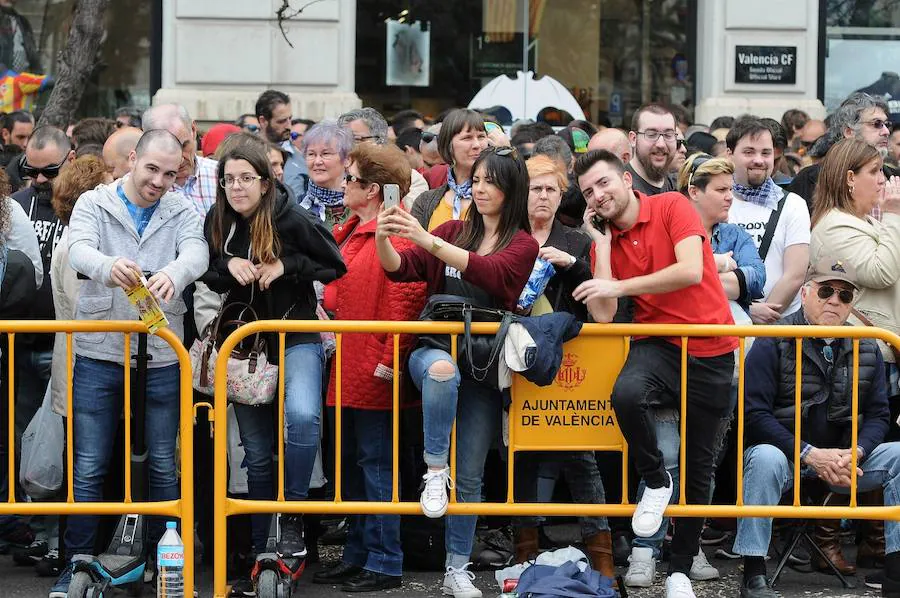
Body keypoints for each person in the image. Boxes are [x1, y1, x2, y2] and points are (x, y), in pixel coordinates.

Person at [51, 130, 210, 598]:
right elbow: (76, 248)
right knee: (88, 463)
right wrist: (106, 266)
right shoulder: (94, 203)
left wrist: (174, 273)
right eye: (151, 169)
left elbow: (196, 252)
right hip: (99, 348)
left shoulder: (182, 207)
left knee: (163, 462)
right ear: (133, 160)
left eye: (169, 172)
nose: (159, 181)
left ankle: (163, 557)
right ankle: (78, 561)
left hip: (162, 352)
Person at [573, 149, 737, 598]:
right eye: (589, 192)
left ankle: (681, 568)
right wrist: (603, 248)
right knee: (625, 395)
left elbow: (688, 271)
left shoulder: (672, 205)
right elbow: (604, 314)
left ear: (627, 179)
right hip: (659, 344)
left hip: (712, 346)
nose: (599, 195)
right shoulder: (603, 239)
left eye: (604, 183)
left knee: (700, 464)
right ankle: (657, 480)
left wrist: (619, 285)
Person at [376, 146, 538, 598]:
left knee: (470, 473)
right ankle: (432, 469)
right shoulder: (451, 230)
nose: (480, 188)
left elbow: (492, 275)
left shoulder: (522, 244)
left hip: (485, 361)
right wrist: (384, 237)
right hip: (434, 347)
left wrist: (427, 239)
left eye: (491, 181)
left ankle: (456, 567)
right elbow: (401, 270)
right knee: (442, 370)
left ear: (511, 191)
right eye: (478, 179)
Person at [201, 141, 345, 588]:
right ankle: (266, 544)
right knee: (256, 451)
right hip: (244, 345)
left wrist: (286, 265)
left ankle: (292, 520)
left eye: (247, 178)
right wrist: (231, 264)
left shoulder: (292, 216)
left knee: (303, 418)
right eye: (229, 179)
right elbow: (206, 269)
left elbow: (333, 264)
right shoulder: (218, 218)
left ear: (266, 182)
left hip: (295, 332)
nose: (237, 187)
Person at [732, 257, 900, 598]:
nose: (834, 301)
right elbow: (754, 414)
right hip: (787, 457)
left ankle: (896, 574)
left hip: (846, 460)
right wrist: (810, 454)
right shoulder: (773, 339)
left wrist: (857, 451)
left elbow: (880, 416)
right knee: (763, 458)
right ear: (806, 293)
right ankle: (753, 574)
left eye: (845, 296)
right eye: (826, 291)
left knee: (899, 454)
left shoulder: (867, 343)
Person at [313, 142, 426, 592]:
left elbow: (405, 304)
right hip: (351, 364)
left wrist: (387, 364)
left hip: (371, 369)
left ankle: (383, 560)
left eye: (352, 179)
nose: (344, 185)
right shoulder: (354, 230)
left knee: (376, 466)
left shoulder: (392, 235)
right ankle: (362, 553)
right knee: (360, 467)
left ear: (373, 190)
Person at [511, 154, 615, 578]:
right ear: (522, 193)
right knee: (524, 454)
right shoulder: (508, 235)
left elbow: (598, 300)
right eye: (535, 188)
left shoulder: (576, 240)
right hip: (517, 356)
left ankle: (603, 554)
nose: (543, 195)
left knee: (580, 454)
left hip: (573, 356)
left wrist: (572, 266)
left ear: (560, 196)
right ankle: (524, 551)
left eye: (551, 189)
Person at [10, 125, 74, 457]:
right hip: (19, 341)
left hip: (64, 343)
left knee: (64, 438)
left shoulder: (85, 206)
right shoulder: (15, 205)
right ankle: (20, 506)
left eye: (50, 170)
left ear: (71, 159)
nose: (39, 180)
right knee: (21, 433)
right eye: (29, 170)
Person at [726, 117, 810, 322]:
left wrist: (765, 317)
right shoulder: (717, 202)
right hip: (728, 327)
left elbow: (795, 275)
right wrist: (747, 312)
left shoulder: (793, 204)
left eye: (766, 153)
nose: (759, 160)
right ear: (730, 155)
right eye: (749, 152)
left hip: (780, 330)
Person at [788, 93, 898, 214]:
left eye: (886, 125)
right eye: (876, 124)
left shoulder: (895, 178)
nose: (886, 131)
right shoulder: (810, 179)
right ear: (849, 132)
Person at [409, 109, 487, 232]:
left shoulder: (499, 198)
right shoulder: (425, 202)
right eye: (467, 138)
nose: (477, 145)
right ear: (447, 145)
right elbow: (414, 249)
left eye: (481, 136)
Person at [339, 107, 428, 208]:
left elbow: (406, 215)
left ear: (379, 141)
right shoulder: (333, 174)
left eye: (355, 139)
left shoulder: (410, 179)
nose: (347, 146)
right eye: (343, 140)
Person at [142, 103, 218, 219]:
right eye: (169, 149)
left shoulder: (220, 175)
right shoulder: (139, 187)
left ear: (193, 130)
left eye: (184, 146)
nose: (180, 158)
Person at [255, 89, 309, 200]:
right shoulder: (245, 152)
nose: (289, 126)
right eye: (281, 121)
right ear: (263, 121)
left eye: (290, 119)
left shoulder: (300, 157)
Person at [298, 119, 354, 226]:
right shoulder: (296, 208)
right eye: (311, 154)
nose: (317, 161)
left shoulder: (361, 207)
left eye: (326, 153)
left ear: (347, 159)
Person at [627, 104, 678, 195]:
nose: (661, 144)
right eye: (651, 135)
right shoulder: (621, 188)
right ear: (633, 139)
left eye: (668, 135)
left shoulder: (679, 188)